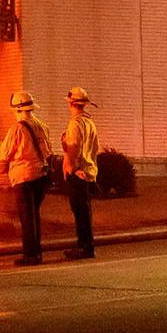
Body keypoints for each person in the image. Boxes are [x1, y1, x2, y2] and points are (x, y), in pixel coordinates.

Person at [0, 90, 51, 265]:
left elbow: (5, 154)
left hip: (24, 177)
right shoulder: (41, 125)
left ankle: (31, 255)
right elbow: (47, 149)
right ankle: (37, 252)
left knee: (27, 218)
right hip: (41, 176)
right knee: (34, 215)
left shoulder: (17, 129)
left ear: (18, 109)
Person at [61, 85, 101, 259]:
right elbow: (94, 147)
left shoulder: (76, 123)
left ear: (71, 103)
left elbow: (73, 146)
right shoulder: (90, 123)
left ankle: (85, 247)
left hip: (78, 173)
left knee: (80, 212)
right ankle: (86, 245)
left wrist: (71, 167)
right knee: (85, 211)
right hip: (89, 170)